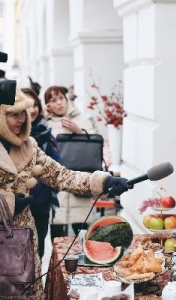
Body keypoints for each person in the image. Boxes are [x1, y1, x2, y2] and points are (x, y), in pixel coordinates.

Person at [0, 87, 131, 298]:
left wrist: (103, 180)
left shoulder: (29, 147)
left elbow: (62, 176)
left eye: (23, 113)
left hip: (24, 245)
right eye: (14, 113)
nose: (22, 119)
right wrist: (7, 203)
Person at [44, 85, 101, 237]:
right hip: (56, 185)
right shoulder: (45, 123)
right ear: (48, 104)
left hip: (79, 181)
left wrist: (79, 132)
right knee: (57, 232)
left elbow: (95, 144)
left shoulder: (80, 118)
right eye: (53, 100)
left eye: (61, 98)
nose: (59, 103)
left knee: (84, 232)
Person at [21, 87, 61, 259]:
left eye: (35, 104)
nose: (32, 110)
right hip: (17, 210)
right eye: (27, 105)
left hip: (41, 205)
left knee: (38, 253)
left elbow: (57, 169)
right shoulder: (9, 138)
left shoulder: (46, 134)